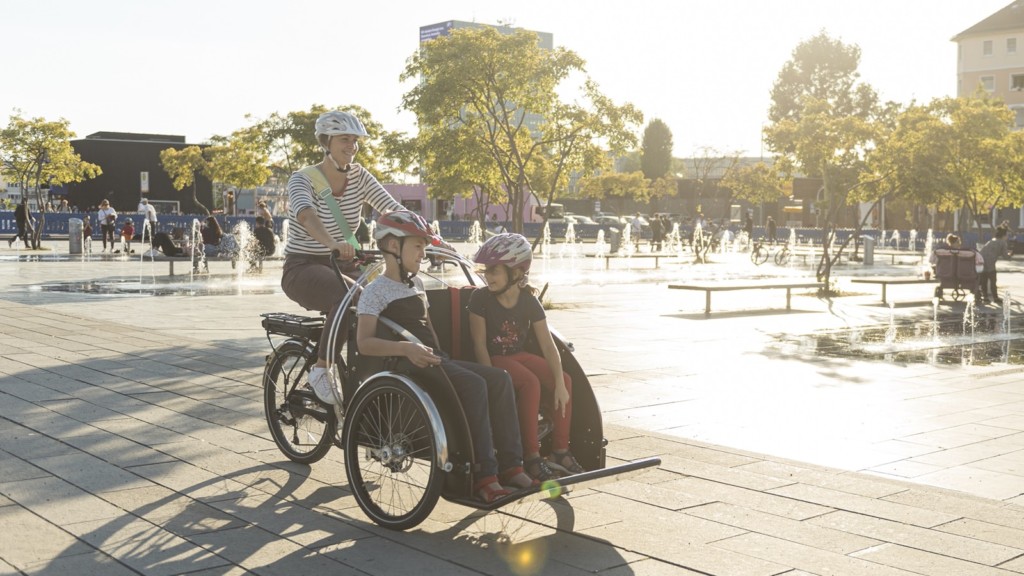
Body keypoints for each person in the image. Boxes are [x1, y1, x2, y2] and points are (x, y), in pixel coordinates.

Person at [356, 210, 533, 502]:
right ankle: (484, 476)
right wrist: (406, 349)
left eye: (424, 248)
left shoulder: (416, 284)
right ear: (391, 246)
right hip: (407, 365)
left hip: (434, 359)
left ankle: (513, 465)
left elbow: (428, 331)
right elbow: (364, 343)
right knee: (474, 386)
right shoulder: (374, 292)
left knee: (499, 379)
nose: (423, 254)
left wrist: (445, 356)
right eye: (417, 246)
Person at [280, 110, 407, 402]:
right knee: (351, 295)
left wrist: (431, 238)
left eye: (355, 140)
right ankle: (322, 368)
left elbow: (391, 209)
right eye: (344, 139)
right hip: (303, 267)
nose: (352, 145)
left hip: (345, 266)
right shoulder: (302, 179)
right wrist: (332, 242)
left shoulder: (360, 177)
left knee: (386, 299)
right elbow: (306, 215)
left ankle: (370, 375)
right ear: (326, 142)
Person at [469, 233, 583, 482]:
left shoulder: (529, 301)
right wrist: (491, 379)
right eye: (486, 271)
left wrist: (560, 385)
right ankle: (531, 457)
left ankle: (560, 452)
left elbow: (548, 344)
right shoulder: (480, 299)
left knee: (564, 379)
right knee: (530, 383)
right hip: (495, 359)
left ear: (517, 273)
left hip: (519, 355)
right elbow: (479, 344)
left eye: (494, 271)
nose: (488, 276)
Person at [930, 233, 984, 299]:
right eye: (958, 242)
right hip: (965, 274)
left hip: (945, 273)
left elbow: (932, 260)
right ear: (953, 243)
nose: (959, 243)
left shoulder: (942, 251)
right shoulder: (966, 253)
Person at [979, 226, 1010, 305]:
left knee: (984, 280)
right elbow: (1005, 256)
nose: (1007, 237)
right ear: (1003, 235)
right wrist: (1011, 255)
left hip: (981, 261)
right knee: (993, 281)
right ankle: (995, 298)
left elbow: (983, 250)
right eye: (1007, 235)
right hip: (990, 264)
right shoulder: (1003, 243)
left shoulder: (991, 240)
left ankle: (985, 297)